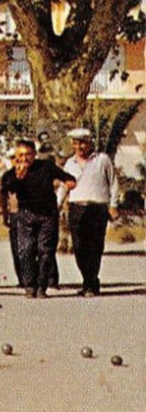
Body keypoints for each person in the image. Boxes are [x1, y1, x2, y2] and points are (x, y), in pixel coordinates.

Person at [0, 139, 76, 299]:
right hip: (26, 215)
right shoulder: (12, 174)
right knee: (26, 251)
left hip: (47, 215)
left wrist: (69, 181)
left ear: (34, 154)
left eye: (28, 154)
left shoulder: (46, 166)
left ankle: (42, 286)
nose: (25, 158)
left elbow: (67, 177)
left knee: (45, 251)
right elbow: (4, 190)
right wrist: (18, 179)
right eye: (21, 155)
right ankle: (29, 285)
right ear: (16, 156)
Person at [61, 127, 119, 297]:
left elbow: (113, 184)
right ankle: (90, 280)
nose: (79, 146)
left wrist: (113, 205)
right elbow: (64, 187)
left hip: (97, 208)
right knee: (79, 246)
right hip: (77, 207)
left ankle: (90, 283)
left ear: (89, 143)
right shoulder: (70, 163)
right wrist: (55, 205)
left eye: (82, 143)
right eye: (76, 143)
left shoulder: (102, 160)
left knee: (95, 246)